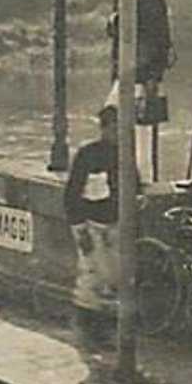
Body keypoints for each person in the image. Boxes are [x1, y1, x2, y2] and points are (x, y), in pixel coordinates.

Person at [64, 106, 132, 348]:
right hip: (90, 223)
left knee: (111, 277)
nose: (118, 133)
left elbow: (134, 183)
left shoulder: (124, 154)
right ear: (104, 128)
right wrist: (80, 229)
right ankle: (87, 331)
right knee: (91, 276)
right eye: (114, 128)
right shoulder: (87, 154)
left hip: (114, 223)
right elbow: (71, 195)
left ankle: (103, 331)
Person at [104, 0, 174, 92]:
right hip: (123, 73)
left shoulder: (152, 0)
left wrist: (153, 76)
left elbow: (161, 41)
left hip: (144, 77)